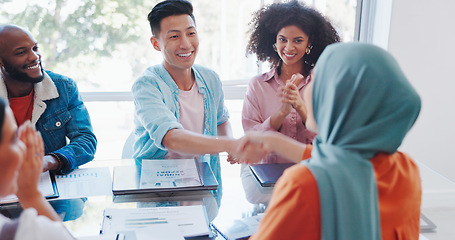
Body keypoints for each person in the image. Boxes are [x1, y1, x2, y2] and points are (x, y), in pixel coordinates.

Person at [237, 43, 422, 239]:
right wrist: (273, 141)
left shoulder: (303, 186)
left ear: (340, 99)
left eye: (315, 81)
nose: (306, 92)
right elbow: (341, 160)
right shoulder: (406, 169)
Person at [132, 0, 239, 181]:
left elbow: (221, 120)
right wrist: (230, 144)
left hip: (203, 181)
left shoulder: (210, 78)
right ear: (155, 43)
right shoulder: (146, 85)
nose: (186, 44)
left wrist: (231, 143)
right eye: (174, 37)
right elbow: (171, 138)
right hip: (157, 189)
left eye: (191, 33)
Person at [242, 0, 340, 164]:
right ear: (274, 41)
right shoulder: (257, 85)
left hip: (312, 173)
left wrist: (300, 106)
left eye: (298, 40)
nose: (289, 47)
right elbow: (251, 138)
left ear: (310, 42)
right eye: (283, 39)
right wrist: (281, 113)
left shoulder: (322, 83)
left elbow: (330, 139)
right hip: (266, 177)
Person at [0, 24, 97, 174]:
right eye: (21, 52)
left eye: (35, 48)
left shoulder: (64, 87)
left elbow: (86, 140)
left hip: (50, 182)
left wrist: (49, 161)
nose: (34, 57)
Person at [0, 98, 74, 239]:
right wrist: (30, 194)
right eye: (14, 139)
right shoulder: (30, 232)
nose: (23, 147)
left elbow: (86, 139)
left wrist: (50, 160)